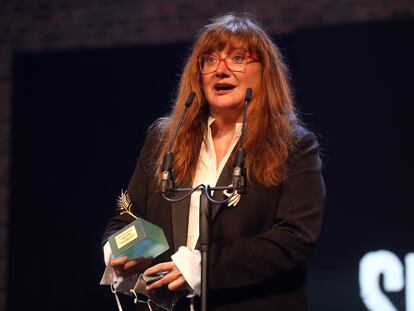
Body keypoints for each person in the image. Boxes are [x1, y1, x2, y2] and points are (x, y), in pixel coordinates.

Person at [101, 13, 325, 311]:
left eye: (237, 58)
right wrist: (123, 253)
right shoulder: (165, 139)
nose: (220, 70)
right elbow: (127, 217)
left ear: (265, 72)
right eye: (209, 60)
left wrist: (199, 268)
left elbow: (293, 239)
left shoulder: (293, 145)